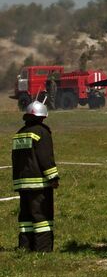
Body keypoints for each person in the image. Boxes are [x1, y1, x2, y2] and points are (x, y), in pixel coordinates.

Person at [11, 100, 59, 252]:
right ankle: (42, 249)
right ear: (43, 116)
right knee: (41, 216)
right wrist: (53, 178)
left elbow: (16, 159)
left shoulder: (20, 133)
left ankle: (25, 246)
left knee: (25, 217)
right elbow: (45, 157)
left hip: (22, 183)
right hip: (39, 183)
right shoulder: (42, 132)